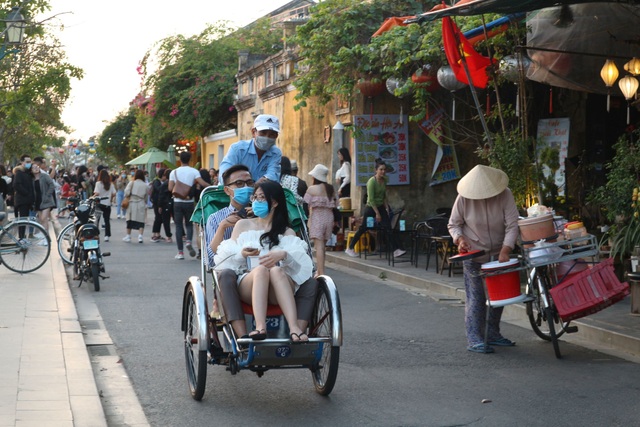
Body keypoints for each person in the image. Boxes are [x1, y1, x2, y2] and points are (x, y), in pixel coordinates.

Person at [214, 180, 313, 341]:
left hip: (278, 287)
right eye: (255, 198)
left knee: (276, 270)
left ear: (274, 202)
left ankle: (294, 328)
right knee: (260, 270)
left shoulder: (287, 232)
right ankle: (260, 327)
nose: (256, 202)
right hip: (249, 283)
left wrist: (284, 255)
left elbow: (301, 269)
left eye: (261, 198)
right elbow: (226, 261)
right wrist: (242, 254)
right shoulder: (242, 225)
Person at [447, 165, 520, 354]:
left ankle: (493, 333)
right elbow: (454, 224)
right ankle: (474, 338)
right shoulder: (463, 198)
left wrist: (506, 249)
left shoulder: (505, 195)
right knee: (476, 297)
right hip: (474, 253)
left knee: (499, 296)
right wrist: (460, 239)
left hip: (498, 252)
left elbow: (513, 225)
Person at [345, 159, 406, 259]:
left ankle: (396, 250)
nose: (383, 171)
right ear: (376, 170)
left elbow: (384, 195)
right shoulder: (371, 182)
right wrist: (377, 213)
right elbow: (372, 199)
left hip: (381, 206)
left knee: (388, 228)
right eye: (381, 169)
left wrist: (386, 207)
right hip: (371, 207)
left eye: (384, 169)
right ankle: (350, 248)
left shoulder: (385, 180)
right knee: (364, 228)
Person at [169, 151, 210, 259]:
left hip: (177, 202)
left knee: (178, 226)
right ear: (190, 159)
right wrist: (213, 186)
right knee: (188, 224)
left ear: (180, 160)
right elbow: (202, 184)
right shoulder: (194, 171)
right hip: (189, 202)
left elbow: (170, 188)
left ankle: (180, 253)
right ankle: (188, 241)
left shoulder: (174, 172)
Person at [218, 114, 282, 182]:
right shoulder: (238, 149)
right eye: (263, 133)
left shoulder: (275, 153)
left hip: (261, 192)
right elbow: (224, 175)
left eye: (272, 134)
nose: (267, 137)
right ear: (253, 132)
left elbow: (273, 175)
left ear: (276, 136)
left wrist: (260, 184)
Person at [304, 164, 337, 277]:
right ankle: (322, 270)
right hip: (329, 217)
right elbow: (336, 204)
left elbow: (305, 204)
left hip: (317, 217)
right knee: (323, 246)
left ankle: (320, 272)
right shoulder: (330, 189)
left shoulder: (312, 189)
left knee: (318, 246)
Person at [122, 169, 148, 243]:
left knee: (130, 220)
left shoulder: (132, 183)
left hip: (132, 202)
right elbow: (146, 197)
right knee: (141, 220)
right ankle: (140, 236)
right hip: (141, 203)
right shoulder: (145, 185)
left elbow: (126, 192)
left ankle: (128, 236)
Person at [12, 155, 35, 239]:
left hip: (27, 201)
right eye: (27, 162)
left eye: (30, 162)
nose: (29, 164)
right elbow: (16, 185)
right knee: (22, 220)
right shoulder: (19, 173)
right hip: (22, 201)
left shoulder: (28, 173)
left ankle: (22, 237)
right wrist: (27, 193)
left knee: (24, 220)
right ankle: (21, 237)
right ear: (22, 162)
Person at [32, 162, 56, 235]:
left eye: (37, 166)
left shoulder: (44, 176)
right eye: (34, 167)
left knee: (44, 218)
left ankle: (46, 237)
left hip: (46, 201)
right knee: (41, 220)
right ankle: (44, 235)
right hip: (37, 201)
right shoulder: (32, 179)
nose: (36, 168)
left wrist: (47, 195)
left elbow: (52, 185)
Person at [93, 169, 116, 242]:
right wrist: (110, 197)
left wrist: (92, 197)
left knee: (97, 220)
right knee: (107, 220)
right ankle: (107, 236)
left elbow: (97, 193)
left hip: (99, 204)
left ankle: (96, 235)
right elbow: (114, 193)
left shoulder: (98, 183)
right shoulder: (111, 184)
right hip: (107, 204)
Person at [156, 169, 173, 243]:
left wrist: (159, 206)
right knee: (177, 220)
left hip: (165, 204)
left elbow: (161, 195)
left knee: (166, 221)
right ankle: (183, 235)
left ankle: (169, 236)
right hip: (174, 202)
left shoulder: (165, 184)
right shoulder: (175, 183)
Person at [150, 168, 166, 242]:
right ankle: (154, 235)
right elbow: (158, 189)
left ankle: (158, 234)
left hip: (161, 202)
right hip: (156, 202)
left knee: (160, 219)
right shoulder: (156, 181)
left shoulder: (161, 182)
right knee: (157, 218)